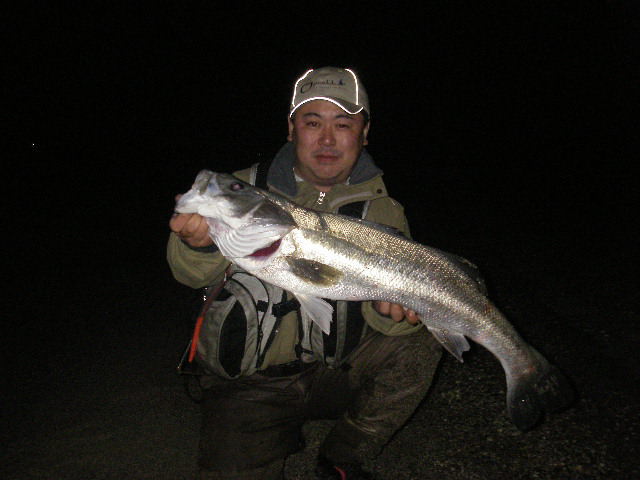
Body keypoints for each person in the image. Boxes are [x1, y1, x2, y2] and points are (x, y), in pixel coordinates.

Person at [168, 66, 442, 480]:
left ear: (364, 133)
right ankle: (269, 431)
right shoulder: (241, 189)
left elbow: (387, 319)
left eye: (343, 125)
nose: (327, 139)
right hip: (252, 386)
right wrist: (197, 244)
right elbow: (189, 275)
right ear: (291, 128)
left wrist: (393, 315)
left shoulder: (383, 210)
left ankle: (343, 453)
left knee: (422, 340)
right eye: (313, 123)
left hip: (337, 369)